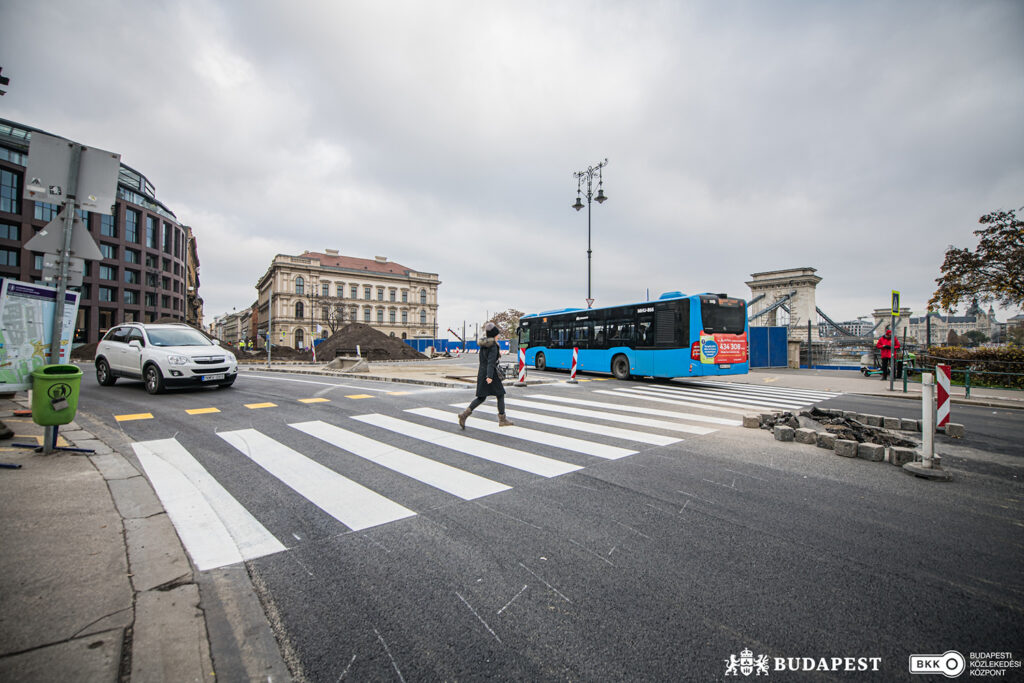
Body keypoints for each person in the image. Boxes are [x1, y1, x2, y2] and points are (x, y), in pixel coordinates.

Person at [458, 322, 514, 428]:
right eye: (497, 334)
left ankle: (464, 415)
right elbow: (490, 362)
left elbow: (484, 360)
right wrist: (489, 376)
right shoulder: (493, 346)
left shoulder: (484, 344)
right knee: (500, 394)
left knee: (481, 397)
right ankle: (502, 419)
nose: (499, 336)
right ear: (494, 335)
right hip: (490, 374)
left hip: (482, 373)